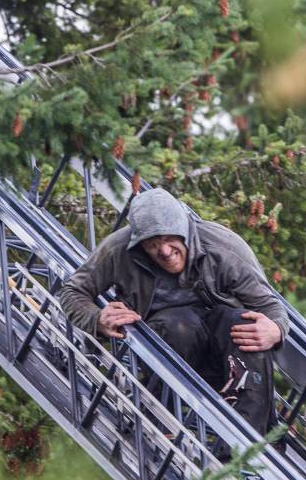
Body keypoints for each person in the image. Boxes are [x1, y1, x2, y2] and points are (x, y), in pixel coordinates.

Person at [58, 187, 288, 442]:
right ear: (139, 243)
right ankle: (156, 421)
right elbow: (72, 292)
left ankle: (251, 441)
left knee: (246, 324)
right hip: (163, 350)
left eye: (170, 239)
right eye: (152, 245)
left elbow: (270, 306)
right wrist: (97, 319)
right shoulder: (118, 250)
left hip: (222, 359)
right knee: (180, 324)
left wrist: (275, 329)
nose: (164, 251)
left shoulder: (224, 248)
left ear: (185, 231)